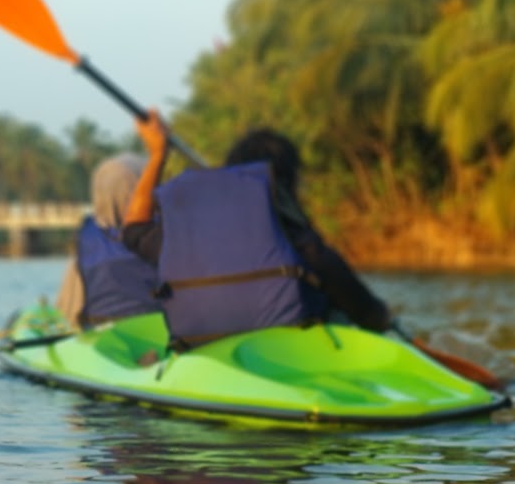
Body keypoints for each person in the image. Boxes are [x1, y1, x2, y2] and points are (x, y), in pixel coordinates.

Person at [121, 111, 393, 346]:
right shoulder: (298, 241)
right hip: (292, 354)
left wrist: (158, 155)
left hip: (205, 355)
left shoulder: (184, 240)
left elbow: (133, 228)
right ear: (285, 184)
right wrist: (382, 319)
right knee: (336, 311)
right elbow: (361, 306)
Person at [56, 154, 157, 329]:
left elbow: (68, 310)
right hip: (160, 334)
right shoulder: (167, 234)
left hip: (101, 336)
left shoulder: (88, 242)